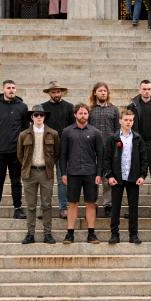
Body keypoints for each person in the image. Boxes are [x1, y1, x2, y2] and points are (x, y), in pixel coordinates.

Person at [0, 80, 29, 220]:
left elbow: (25, 127)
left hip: (16, 151)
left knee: (16, 180)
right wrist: (0, 138)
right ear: (3, 89)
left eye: (13, 88)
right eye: (8, 88)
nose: (11, 90)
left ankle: (18, 208)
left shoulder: (22, 107)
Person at [60, 103, 103, 245]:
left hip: (90, 173)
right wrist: (63, 173)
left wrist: (99, 173)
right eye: (80, 113)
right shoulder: (67, 132)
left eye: (85, 113)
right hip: (73, 173)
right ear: (75, 115)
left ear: (88, 114)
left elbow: (100, 155)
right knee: (72, 203)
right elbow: (63, 154)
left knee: (91, 203)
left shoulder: (96, 132)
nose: (83, 116)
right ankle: (70, 234)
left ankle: (91, 233)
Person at [17, 105, 60, 245]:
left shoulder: (53, 133)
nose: (39, 117)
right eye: (36, 115)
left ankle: (47, 234)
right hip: (29, 173)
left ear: (44, 117)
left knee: (47, 205)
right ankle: (30, 234)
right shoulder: (24, 134)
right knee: (30, 205)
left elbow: (57, 153)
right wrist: (27, 165)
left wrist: (48, 164)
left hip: (45, 172)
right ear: (32, 117)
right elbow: (20, 155)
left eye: (41, 115)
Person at [103, 110, 147, 245]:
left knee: (133, 208)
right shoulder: (113, 138)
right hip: (117, 178)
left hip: (133, 178)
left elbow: (144, 159)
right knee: (115, 207)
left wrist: (142, 175)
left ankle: (133, 235)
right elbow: (107, 159)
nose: (128, 122)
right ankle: (114, 234)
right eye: (126, 120)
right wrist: (109, 175)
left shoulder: (138, 138)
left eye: (131, 120)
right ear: (120, 121)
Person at [127, 79, 151, 218]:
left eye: (149, 89)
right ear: (140, 90)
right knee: (134, 177)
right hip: (138, 146)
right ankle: (132, 208)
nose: (146, 91)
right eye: (144, 89)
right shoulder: (132, 106)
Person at [41, 81, 74, 219]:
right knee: (45, 180)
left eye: (58, 92)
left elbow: (73, 128)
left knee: (62, 180)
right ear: (49, 93)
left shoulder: (69, 107)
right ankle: (45, 208)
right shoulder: (42, 107)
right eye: (53, 92)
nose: (56, 94)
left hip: (63, 148)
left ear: (62, 92)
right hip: (47, 149)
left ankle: (63, 207)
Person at [88, 82, 119, 218]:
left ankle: (108, 204)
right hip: (92, 149)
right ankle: (93, 203)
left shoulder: (114, 109)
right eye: (100, 91)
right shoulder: (89, 110)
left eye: (105, 91)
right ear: (95, 93)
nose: (103, 93)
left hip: (109, 149)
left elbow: (118, 130)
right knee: (94, 177)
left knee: (107, 178)